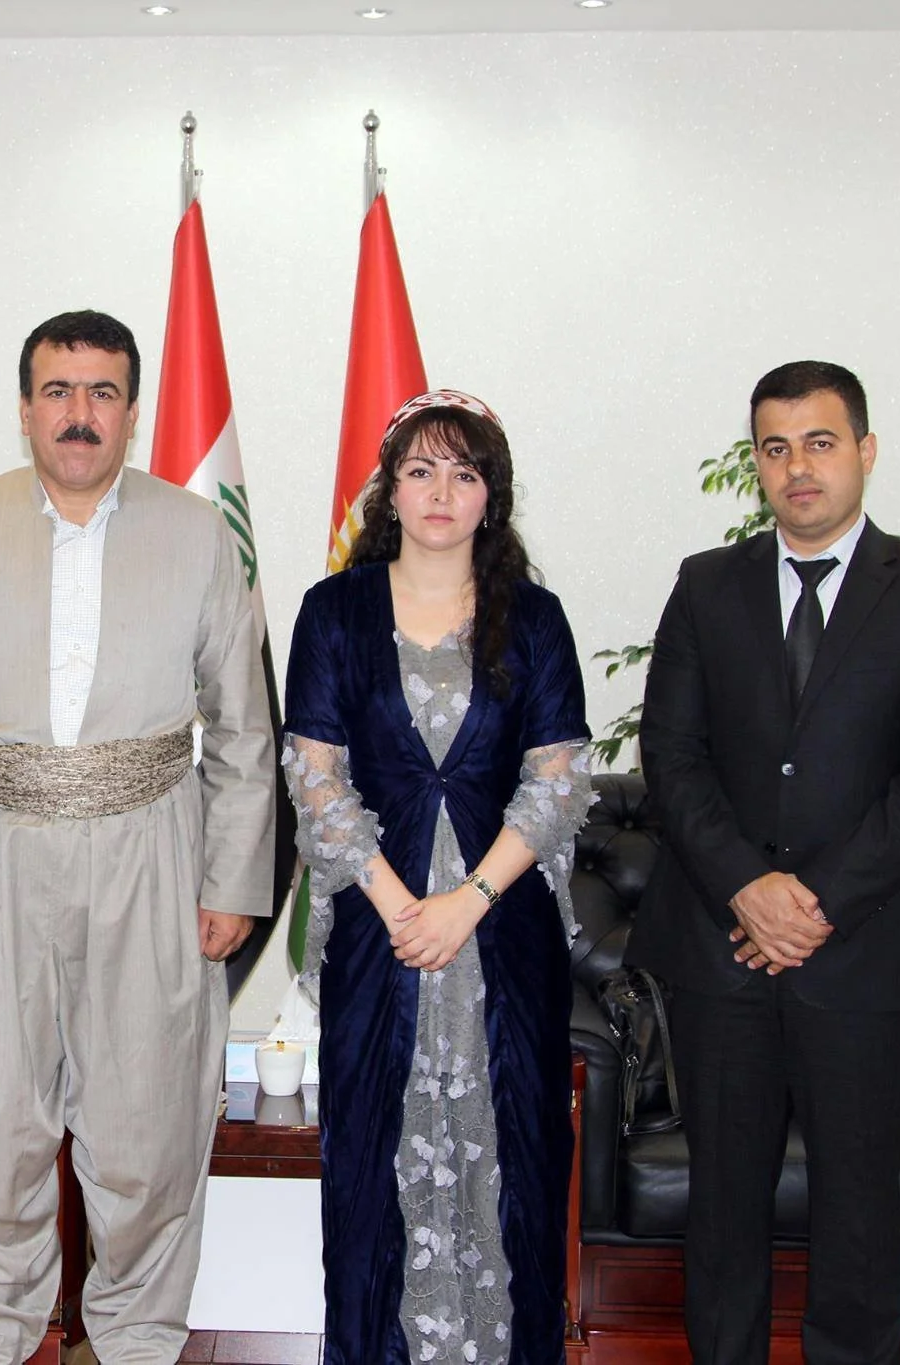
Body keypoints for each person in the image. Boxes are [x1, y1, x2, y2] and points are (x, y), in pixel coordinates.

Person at [0, 309, 274, 1365]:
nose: (78, 414)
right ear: (23, 410)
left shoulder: (196, 535)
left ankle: (138, 1338)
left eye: (101, 393)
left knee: (144, 1131)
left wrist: (233, 876)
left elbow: (241, 722)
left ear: (132, 413)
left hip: (151, 851)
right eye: (57, 391)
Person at [627, 361, 900, 1365]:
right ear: (755, 463)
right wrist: (747, 886)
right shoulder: (707, 585)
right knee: (724, 1207)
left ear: (863, 453)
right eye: (775, 447)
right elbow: (670, 754)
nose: (798, 468)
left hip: (859, 956)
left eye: (819, 443)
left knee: (857, 1210)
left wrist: (813, 901)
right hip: (719, 952)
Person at [283, 390, 594, 1365]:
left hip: (502, 936)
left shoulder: (533, 620)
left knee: (515, 1169)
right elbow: (313, 776)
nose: (439, 491)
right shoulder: (331, 612)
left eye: (463, 473)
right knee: (372, 1173)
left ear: (489, 498)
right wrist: (396, 905)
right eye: (419, 469)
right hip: (379, 939)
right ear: (389, 489)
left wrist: (467, 902)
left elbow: (555, 782)